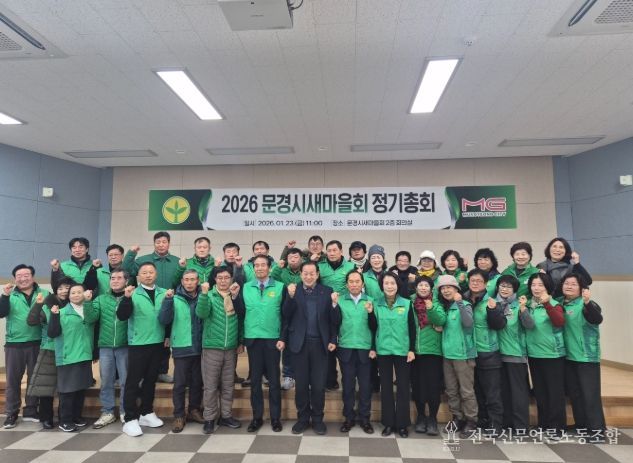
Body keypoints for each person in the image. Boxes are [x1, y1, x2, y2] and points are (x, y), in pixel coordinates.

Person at [284, 261, 338, 435]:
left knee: (318, 385)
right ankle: (302, 419)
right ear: (301, 274)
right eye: (305, 273)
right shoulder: (293, 290)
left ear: (317, 274)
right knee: (301, 385)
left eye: (312, 273)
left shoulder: (327, 291)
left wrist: (333, 338)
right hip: (299, 344)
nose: (308, 276)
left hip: (320, 345)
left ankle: (317, 419)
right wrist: (290, 297)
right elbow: (285, 315)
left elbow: (333, 320)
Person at [116, 262, 168, 436]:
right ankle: (130, 418)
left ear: (156, 274)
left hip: (157, 342)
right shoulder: (132, 293)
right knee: (133, 381)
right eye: (144, 272)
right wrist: (126, 298)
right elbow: (122, 316)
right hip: (138, 343)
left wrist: (167, 336)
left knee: (151, 380)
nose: (148, 275)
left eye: (151, 272)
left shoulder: (164, 293)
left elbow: (168, 316)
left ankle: (146, 412)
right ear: (138, 276)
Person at [123, 231, 180, 383]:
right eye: (158, 242)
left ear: (169, 243)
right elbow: (126, 270)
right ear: (154, 243)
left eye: (164, 242)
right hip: (145, 301)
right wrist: (131, 253)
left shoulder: (176, 261)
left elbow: (181, 280)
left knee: (165, 338)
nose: (161, 245)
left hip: (168, 302)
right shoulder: (143, 260)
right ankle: (143, 374)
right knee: (147, 340)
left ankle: (162, 371)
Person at [427, 275, 478, 439]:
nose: (446, 290)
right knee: (451, 390)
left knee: (466, 390)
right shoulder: (446, 308)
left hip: (463, 355)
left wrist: (460, 303)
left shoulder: (465, 305)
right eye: (443, 288)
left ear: (457, 289)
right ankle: (458, 418)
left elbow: (468, 323)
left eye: (449, 287)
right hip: (447, 355)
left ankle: (471, 421)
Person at [368, 272, 416, 438]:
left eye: (392, 283)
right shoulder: (376, 303)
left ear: (398, 285)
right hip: (383, 350)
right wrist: (370, 313)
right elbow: (372, 328)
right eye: (386, 283)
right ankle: (388, 423)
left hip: (403, 350)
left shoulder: (407, 304)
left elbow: (412, 328)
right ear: (382, 286)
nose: (389, 286)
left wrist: (411, 349)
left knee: (403, 387)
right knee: (386, 387)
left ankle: (402, 424)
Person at [1, 264, 49, 428]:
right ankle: (11, 413)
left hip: (37, 342)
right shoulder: (9, 295)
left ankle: (31, 411)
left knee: (34, 380)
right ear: (15, 279)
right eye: (19, 276)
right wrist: (4, 296)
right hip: (14, 344)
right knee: (13, 381)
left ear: (32, 277)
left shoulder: (44, 294)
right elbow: (1, 313)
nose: (23, 278)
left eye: (26, 275)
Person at [196, 269, 244, 434]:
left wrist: (240, 341)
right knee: (210, 386)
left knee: (228, 385)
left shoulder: (235, 296)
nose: (223, 281)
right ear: (215, 279)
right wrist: (203, 294)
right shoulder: (208, 296)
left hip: (230, 348)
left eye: (227, 277)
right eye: (220, 278)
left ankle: (226, 416)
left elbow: (241, 319)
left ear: (231, 279)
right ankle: (209, 418)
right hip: (212, 347)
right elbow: (201, 313)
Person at [242, 255, 286, 433]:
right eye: (256, 265)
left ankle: (275, 418)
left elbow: (285, 316)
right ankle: (257, 418)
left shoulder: (280, 287)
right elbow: (240, 313)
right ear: (253, 268)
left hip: (272, 339)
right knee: (255, 382)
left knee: (274, 381)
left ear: (269, 267)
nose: (259, 268)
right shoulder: (245, 287)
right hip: (253, 339)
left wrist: (282, 337)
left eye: (263, 265)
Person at [159, 269, 205, 433]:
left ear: (198, 281)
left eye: (193, 279)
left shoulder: (203, 296)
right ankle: (179, 415)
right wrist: (167, 301)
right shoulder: (173, 298)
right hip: (181, 346)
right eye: (186, 279)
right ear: (182, 281)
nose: (189, 283)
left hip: (200, 346)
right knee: (179, 384)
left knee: (197, 382)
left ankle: (194, 410)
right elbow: (164, 319)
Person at [47, 284, 98, 432]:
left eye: (79, 292)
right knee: (67, 391)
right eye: (72, 293)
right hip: (67, 356)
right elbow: (52, 333)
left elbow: (93, 322)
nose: (76, 295)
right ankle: (65, 420)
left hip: (84, 355)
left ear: (85, 293)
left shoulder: (89, 311)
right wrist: (54, 316)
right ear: (68, 296)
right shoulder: (61, 312)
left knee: (81, 388)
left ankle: (76, 416)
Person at [561, 274, 606, 436]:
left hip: (586, 356)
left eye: (573, 284)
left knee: (590, 394)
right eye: (566, 283)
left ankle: (597, 430)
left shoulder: (587, 304)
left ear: (581, 288)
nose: (569, 286)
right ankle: (581, 424)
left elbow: (596, 319)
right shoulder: (561, 303)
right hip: (568, 356)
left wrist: (587, 302)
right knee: (575, 394)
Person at [486, 275, 532, 433]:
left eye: (509, 287)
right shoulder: (492, 303)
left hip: (515, 354)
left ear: (515, 290)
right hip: (497, 354)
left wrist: (524, 310)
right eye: (502, 286)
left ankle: (521, 426)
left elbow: (529, 325)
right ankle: (506, 423)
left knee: (518, 393)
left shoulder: (519, 305)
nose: (505, 289)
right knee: (502, 391)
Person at [26, 277, 73, 429]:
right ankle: (46, 417)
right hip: (49, 350)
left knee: (67, 387)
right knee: (46, 387)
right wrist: (38, 304)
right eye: (60, 288)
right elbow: (31, 321)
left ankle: (65, 417)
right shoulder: (47, 305)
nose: (64, 291)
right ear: (55, 290)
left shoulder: (75, 306)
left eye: (67, 288)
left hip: (70, 351)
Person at [525, 273, 566, 439]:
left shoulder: (555, 304)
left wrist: (547, 304)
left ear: (547, 287)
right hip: (534, 354)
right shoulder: (527, 305)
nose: (536, 288)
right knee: (540, 392)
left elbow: (559, 322)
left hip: (552, 355)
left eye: (540, 285)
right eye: (533, 285)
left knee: (554, 392)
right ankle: (543, 424)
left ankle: (557, 427)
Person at [334, 271, 374, 434]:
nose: (354, 284)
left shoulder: (370, 301)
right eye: (351, 281)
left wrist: (373, 348)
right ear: (346, 284)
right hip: (346, 348)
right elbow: (334, 323)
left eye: (357, 281)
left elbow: (375, 326)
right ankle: (349, 418)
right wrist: (334, 305)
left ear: (363, 284)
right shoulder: (340, 300)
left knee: (365, 386)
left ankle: (365, 419)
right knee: (348, 386)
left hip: (365, 349)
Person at [466, 269, 504, 436]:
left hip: (488, 352)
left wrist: (493, 310)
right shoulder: (464, 299)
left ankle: (496, 424)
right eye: (472, 280)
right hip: (469, 352)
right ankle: (482, 420)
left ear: (486, 283)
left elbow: (499, 325)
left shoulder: (491, 301)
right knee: (476, 390)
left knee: (492, 392)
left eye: (479, 281)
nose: (475, 283)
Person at [91, 269, 129, 429]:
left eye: (119, 278)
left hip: (125, 345)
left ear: (126, 281)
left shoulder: (132, 297)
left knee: (126, 380)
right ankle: (107, 412)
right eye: (113, 278)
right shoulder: (101, 299)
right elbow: (91, 318)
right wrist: (87, 302)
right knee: (106, 380)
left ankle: (125, 411)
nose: (115, 280)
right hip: (105, 346)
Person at [318, 240, 355, 391]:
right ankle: (331, 379)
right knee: (329, 344)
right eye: (329, 250)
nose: (332, 253)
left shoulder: (351, 266)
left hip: (346, 309)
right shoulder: (320, 266)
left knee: (345, 342)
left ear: (341, 251)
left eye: (335, 250)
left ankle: (349, 378)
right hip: (325, 310)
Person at [410, 276, 442, 436]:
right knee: (418, 386)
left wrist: (431, 308)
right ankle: (421, 416)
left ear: (431, 288)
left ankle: (433, 418)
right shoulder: (410, 302)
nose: (423, 288)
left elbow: (441, 320)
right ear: (416, 287)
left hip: (433, 350)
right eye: (420, 285)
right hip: (415, 351)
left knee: (433, 387)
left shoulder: (437, 302)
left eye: (426, 285)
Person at [271, 247, 304, 391]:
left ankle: (302, 376)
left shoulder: (306, 271)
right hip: (286, 311)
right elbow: (272, 279)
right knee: (288, 345)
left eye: (296, 257)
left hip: (304, 312)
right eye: (291, 257)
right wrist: (279, 266)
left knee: (304, 346)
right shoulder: (282, 272)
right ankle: (288, 376)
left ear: (302, 259)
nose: (293, 260)